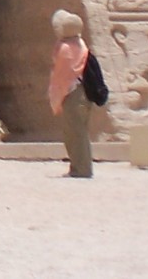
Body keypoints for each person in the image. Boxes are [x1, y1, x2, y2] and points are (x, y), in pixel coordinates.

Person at [50, 9, 94, 179]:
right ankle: (80, 167)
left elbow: (61, 76)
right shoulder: (81, 45)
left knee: (75, 133)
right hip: (84, 93)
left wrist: (56, 97)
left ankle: (81, 169)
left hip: (72, 93)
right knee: (80, 132)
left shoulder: (65, 48)